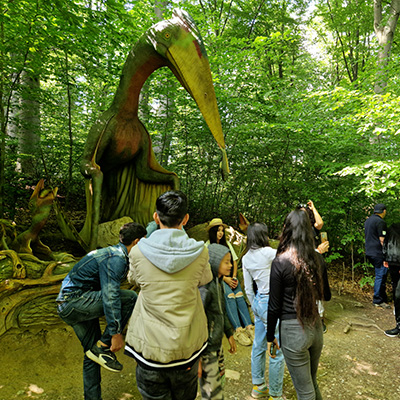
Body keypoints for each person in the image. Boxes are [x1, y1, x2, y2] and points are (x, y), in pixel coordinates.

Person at [124, 190, 213, 400]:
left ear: (156, 217)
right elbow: (205, 279)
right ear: (186, 219)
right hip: (186, 351)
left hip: (149, 352)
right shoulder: (200, 252)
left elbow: (133, 280)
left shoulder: (137, 251)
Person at [56, 222, 146, 400]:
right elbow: (110, 295)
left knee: (92, 353)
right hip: (74, 302)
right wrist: (115, 333)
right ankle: (104, 344)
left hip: (71, 305)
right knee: (129, 298)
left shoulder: (116, 255)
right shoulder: (116, 258)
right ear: (136, 242)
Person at [267, 209, 331, 400]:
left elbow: (274, 306)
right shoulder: (318, 258)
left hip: (293, 332)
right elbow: (325, 295)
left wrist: (270, 336)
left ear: (286, 229)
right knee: (311, 383)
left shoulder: (280, 262)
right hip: (316, 329)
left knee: (305, 391)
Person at [242, 222, 285, 400]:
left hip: (259, 301)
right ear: (263, 236)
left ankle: (258, 386)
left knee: (259, 345)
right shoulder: (268, 253)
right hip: (272, 303)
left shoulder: (245, 258)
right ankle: (275, 394)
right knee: (277, 349)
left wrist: (255, 306)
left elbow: (248, 288)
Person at [206, 217, 254, 347]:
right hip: (218, 279)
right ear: (212, 232)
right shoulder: (207, 246)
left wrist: (233, 277)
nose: (220, 233)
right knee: (230, 296)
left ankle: (249, 327)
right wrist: (225, 279)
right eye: (218, 231)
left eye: (222, 230)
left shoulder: (226, 244)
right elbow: (208, 267)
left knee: (239, 296)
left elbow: (234, 260)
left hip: (230, 277)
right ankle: (238, 330)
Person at [199, 243, 237, 399]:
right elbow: (198, 321)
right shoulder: (206, 287)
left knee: (218, 385)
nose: (230, 266)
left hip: (217, 345)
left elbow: (221, 312)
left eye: (230, 261)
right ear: (214, 261)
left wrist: (229, 333)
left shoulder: (219, 282)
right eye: (226, 262)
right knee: (211, 392)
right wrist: (198, 356)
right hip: (207, 349)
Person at [364, 203, 390, 308]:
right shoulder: (380, 222)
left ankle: (382, 296)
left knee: (381, 274)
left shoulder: (368, 221)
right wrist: (386, 255)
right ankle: (378, 300)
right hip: (378, 253)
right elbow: (382, 240)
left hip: (369, 251)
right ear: (384, 211)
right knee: (381, 274)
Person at [382, 223, 400, 337]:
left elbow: (385, 242)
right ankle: (398, 323)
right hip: (393, 261)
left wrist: (385, 257)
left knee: (397, 291)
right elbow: (385, 242)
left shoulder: (392, 227)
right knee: (396, 291)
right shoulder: (393, 227)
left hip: (392, 260)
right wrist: (385, 258)